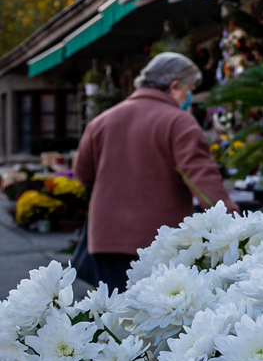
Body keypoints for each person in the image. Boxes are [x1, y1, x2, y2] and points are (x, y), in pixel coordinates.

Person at [71, 52, 234, 290]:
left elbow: (83, 174)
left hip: (105, 239)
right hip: (157, 242)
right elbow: (201, 178)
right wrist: (231, 220)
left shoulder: (102, 121)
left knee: (113, 318)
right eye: (189, 88)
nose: (189, 96)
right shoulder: (178, 122)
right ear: (174, 85)